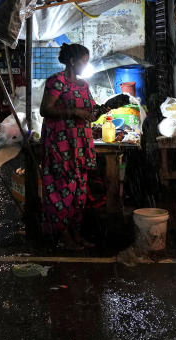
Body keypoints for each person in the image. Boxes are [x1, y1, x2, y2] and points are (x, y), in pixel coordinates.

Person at [39, 43, 130, 250]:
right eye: (84, 61)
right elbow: (46, 109)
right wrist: (73, 113)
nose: (85, 65)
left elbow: (91, 114)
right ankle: (63, 237)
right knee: (62, 191)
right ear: (72, 61)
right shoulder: (56, 82)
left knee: (79, 194)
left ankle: (75, 234)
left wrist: (110, 105)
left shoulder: (83, 85)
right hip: (61, 146)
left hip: (81, 145)